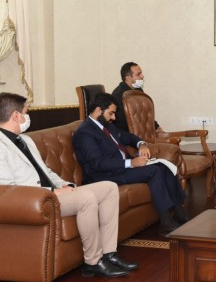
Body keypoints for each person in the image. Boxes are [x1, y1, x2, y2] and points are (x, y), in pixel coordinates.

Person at [0, 92, 138, 278]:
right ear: (16, 116)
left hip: (55, 193)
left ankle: (109, 254)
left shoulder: (25, 140)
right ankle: (93, 262)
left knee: (109, 187)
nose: (27, 116)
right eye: (26, 112)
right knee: (86, 198)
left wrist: (65, 185)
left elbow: (46, 171)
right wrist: (51, 191)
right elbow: (8, 190)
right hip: (38, 201)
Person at [72, 93, 186, 235]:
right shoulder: (85, 133)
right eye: (111, 113)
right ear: (98, 110)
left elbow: (128, 137)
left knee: (164, 166)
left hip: (120, 169)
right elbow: (97, 163)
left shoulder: (107, 126)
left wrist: (141, 144)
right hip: (103, 175)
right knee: (155, 171)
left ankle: (179, 212)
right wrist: (130, 163)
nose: (114, 118)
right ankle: (166, 222)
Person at [111, 62, 161, 133]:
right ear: (128, 78)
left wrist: (156, 127)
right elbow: (123, 122)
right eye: (138, 74)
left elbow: (145, 113)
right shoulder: (119, 95)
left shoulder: (138, 90)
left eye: (141, 73)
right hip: (126, 134)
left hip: (141, 132)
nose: (142, 76)